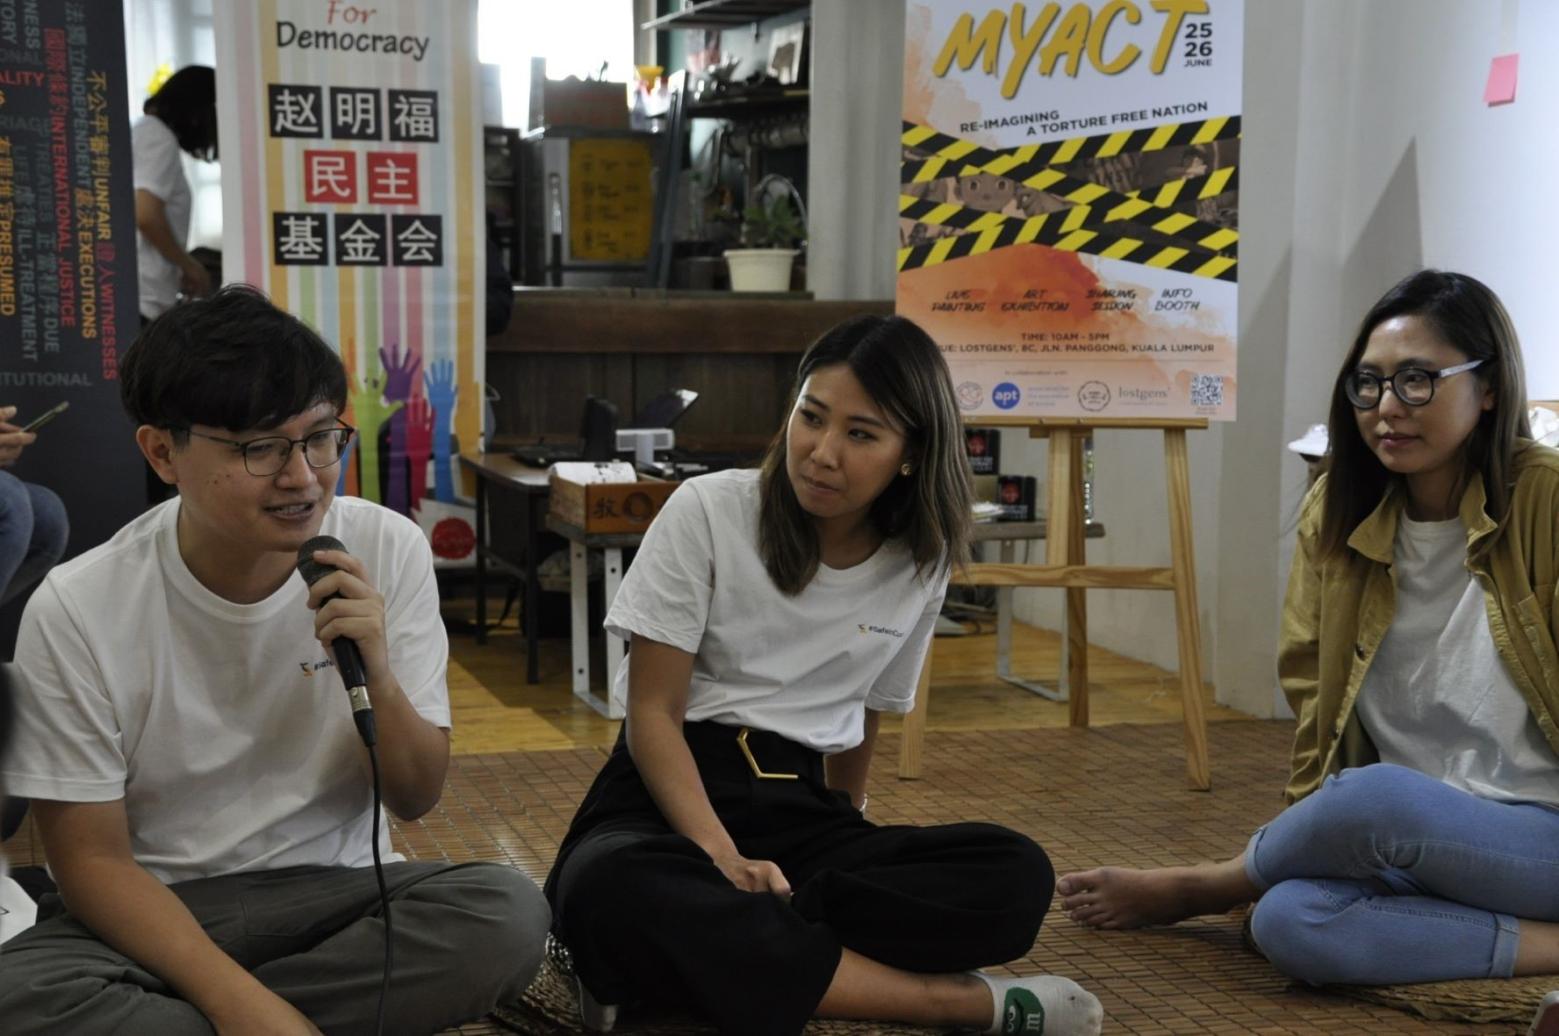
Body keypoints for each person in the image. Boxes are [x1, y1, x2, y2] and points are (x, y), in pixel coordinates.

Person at [0, 286, 549, 1033]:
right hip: (162, 908)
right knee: (19, 994)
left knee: (505, 914)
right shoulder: (79, 605)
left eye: (321, 437)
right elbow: (92, 864)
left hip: (335, 896)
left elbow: (416, 796)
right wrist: (241, 1003)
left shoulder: (384, 547)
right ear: (162, 452)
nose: (304, 476)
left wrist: (378, 675)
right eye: (260, 448)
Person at [544, 315, 1103, 1036]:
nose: (821, 452)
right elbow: (652, 713)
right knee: (613, 890)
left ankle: (709, 958)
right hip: (664, 804)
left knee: (1013, 875)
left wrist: (847, 831)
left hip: (803, 812)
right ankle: (960, 1003)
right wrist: (720, 857)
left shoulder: (921, 559)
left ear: (911, 453)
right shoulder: (709, 509)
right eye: (810, 417)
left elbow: (866, 710)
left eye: (860, 434)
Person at [1056, 269, 1559, 990]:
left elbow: (1367, 802)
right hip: (1414, 838)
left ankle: (1209, 883)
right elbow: (1315, 706)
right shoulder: (1340, 510)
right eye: (1368, 383)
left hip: (1537, 836)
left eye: (1417, 380)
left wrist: (1306, 839)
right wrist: (1307, 837)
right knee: (1290, 922)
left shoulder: (1545, 499)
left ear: (1487, 388)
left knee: (1374, 798)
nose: (1387, 407)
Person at [134, 65, 217, 323]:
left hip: (143, 298)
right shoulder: (158, 137)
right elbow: (145, 214)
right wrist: (188, 265)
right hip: (143, 300)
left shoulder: (146, 132)